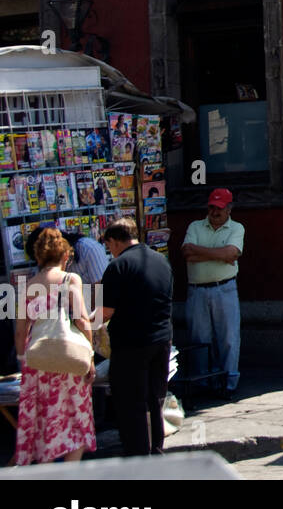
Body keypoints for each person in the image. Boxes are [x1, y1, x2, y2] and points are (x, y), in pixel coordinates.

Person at [13, 228, 96, 465]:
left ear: (38, 257)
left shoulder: (27, 286)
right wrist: (89, 356)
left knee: (45, 420)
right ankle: (69, 475)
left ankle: (47, 473)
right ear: (65, 256)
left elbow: (21, 331)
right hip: (69, 358)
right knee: (76, 419)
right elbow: (81, 319)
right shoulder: (70, 280)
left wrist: (23, 359)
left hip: (37, 360)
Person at [101, 217, 173, 457]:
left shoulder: (118, 266)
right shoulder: (161, 260)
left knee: (131, 402)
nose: (109, 251)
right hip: (162, 339)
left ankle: (138, 454)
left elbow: (106, 312)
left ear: (114, 241)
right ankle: (156, 449)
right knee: (155, 398)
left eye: (108, 245)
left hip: (131, 344)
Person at [180, 187, 244, 396]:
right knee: (199, 337)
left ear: (229, 209)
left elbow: (232, 253)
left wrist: (202, 253)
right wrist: (219, 255)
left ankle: (228, 381)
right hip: (198, 290)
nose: (215, 212)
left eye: (219, 208)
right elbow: (187, 253)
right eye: (212, 207)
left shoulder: (237, 228)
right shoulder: (195, 226)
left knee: (228, 337)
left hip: (224, 288)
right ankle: (202, 381)